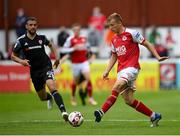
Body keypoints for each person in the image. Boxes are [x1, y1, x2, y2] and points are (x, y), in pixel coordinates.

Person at [94, 13, 168, 127]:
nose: (110, 28)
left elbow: (147, 43)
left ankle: (101, 111)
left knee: (116, 87)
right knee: (128, 100)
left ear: (119, 23)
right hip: (121, 70)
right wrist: (107, 70)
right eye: (109, 26)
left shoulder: (132, 33)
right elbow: (114, 55)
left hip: (132, 68)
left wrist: (157, 56)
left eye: (112, 25)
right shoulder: (113, 39)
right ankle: (154, 116)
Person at [11, 17, 69, 121]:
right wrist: (21, 61)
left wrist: (57, 58)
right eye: (30, 25)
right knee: (42, 97)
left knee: (52, 86)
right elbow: (12, 56)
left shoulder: (42, 38)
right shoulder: (21, 41)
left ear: (37, 26)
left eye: (35, 25)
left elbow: (51, 45)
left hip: (46, 66)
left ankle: (64, 112)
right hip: (34, 71)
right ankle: (49, 98)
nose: (33, 27)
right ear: (26, 26)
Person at [61, 23, 97, 106]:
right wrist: (73, 48)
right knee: (76, 82)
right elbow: (63, 50)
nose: (76, 31)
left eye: (78, 29)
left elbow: (88, 48)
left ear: (80, 30)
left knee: (88, 78)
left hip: (84, 62)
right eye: (75, 30)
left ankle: (91, 98)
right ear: (73, 31)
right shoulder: (70, 39)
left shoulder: (84, 38)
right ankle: (73, 96)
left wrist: (90, 54)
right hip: (75, 64)